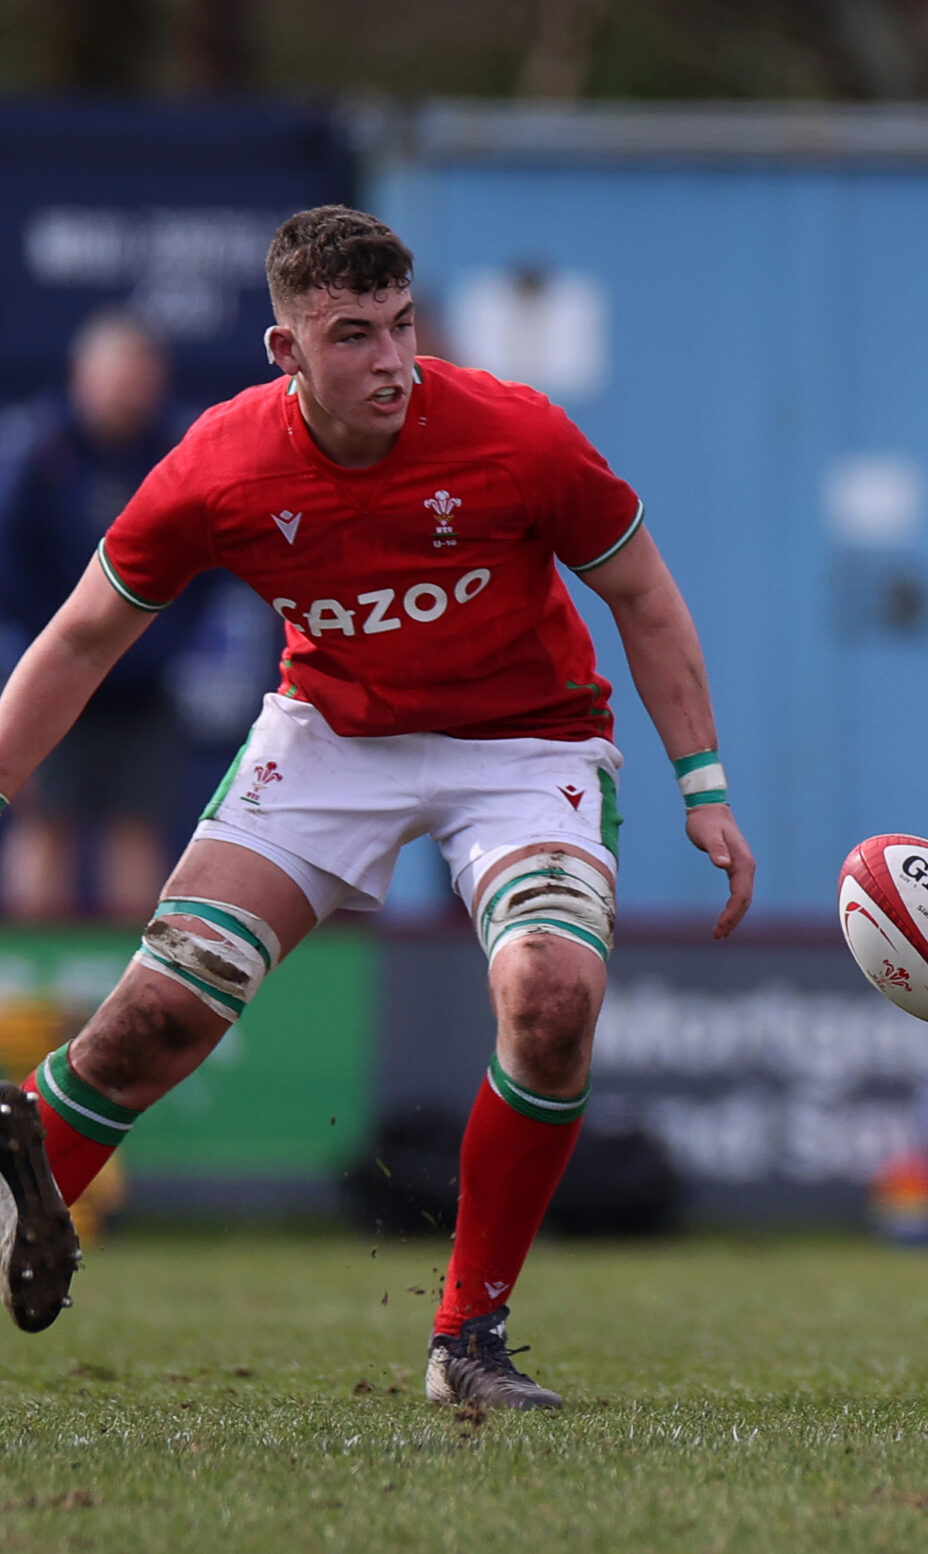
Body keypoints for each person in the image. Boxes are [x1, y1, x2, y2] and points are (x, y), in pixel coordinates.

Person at [0, 207, 756, 1410]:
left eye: (402, 327)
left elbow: (643, 593)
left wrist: (702, 786)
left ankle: (467, 1339)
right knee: (155, 1019)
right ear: (284, 352)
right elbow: (85, 633)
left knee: (553, 1000)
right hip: (332, 735)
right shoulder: (219, 462)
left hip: (525, 743)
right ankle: (17, 1185)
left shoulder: (516, 434)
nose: (391, 361)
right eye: (352, 336)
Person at [0, 312, 204, 918]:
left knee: (137, 827)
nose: (131, 391)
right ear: (81, 377)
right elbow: (10, 568)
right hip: (51, 674)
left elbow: (207, 571)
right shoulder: (33, 453)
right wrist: (68, 647)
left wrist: (150, 650)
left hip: (145, 688)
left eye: (143, 378)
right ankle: (28, 988)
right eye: (119, 377)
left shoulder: (177, 450)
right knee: (45, 824)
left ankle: (130, 991)